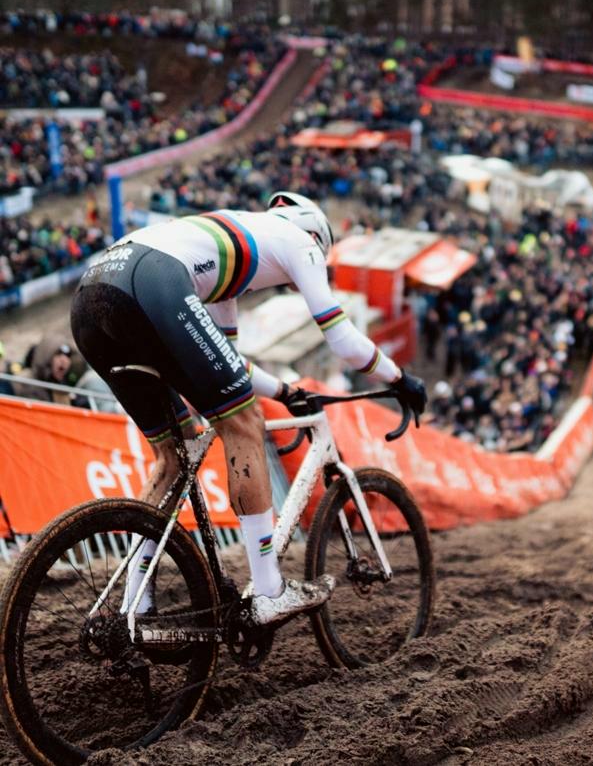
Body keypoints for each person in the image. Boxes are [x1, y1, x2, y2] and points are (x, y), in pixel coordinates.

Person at [70, 192, 427, 625]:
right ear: (314, 232)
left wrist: (284, 389)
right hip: (151, 281)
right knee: (244, 424)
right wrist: (399, 379)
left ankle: (134, 605)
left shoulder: (230, 257)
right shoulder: (300, 240)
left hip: (95, 292)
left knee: (173, 456)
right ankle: (268, 589)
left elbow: (225, 363)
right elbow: (342, 338)